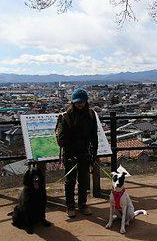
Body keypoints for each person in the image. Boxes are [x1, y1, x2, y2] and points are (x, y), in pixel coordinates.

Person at [55, 88, 98, 218]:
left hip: (85, 152)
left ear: (86, 101)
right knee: (70, 181)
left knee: (84, 180)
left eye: (82, 102)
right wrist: (71, 149)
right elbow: (61, 139)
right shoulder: (66, 116)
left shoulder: (91, 115)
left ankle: (83, 204)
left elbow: (94, 135)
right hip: (70, 154)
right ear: (72, 102)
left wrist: (93, 153)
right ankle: (70, 206)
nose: (80, 104)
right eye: (77, 102)